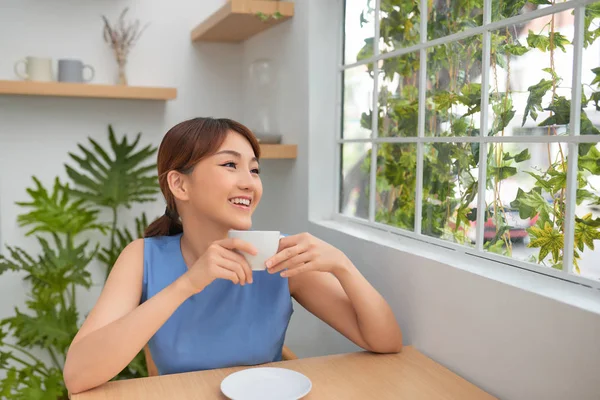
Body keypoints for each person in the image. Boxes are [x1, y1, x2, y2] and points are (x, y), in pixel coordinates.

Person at [63, 117, 402, 394]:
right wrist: (188, 284)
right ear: (180, 185)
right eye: (230, 165)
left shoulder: (278, 256)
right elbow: (77, 375)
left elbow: (386, 342)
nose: (249, 183)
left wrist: (343, 266)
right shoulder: (142, 257)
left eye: (254, 170)